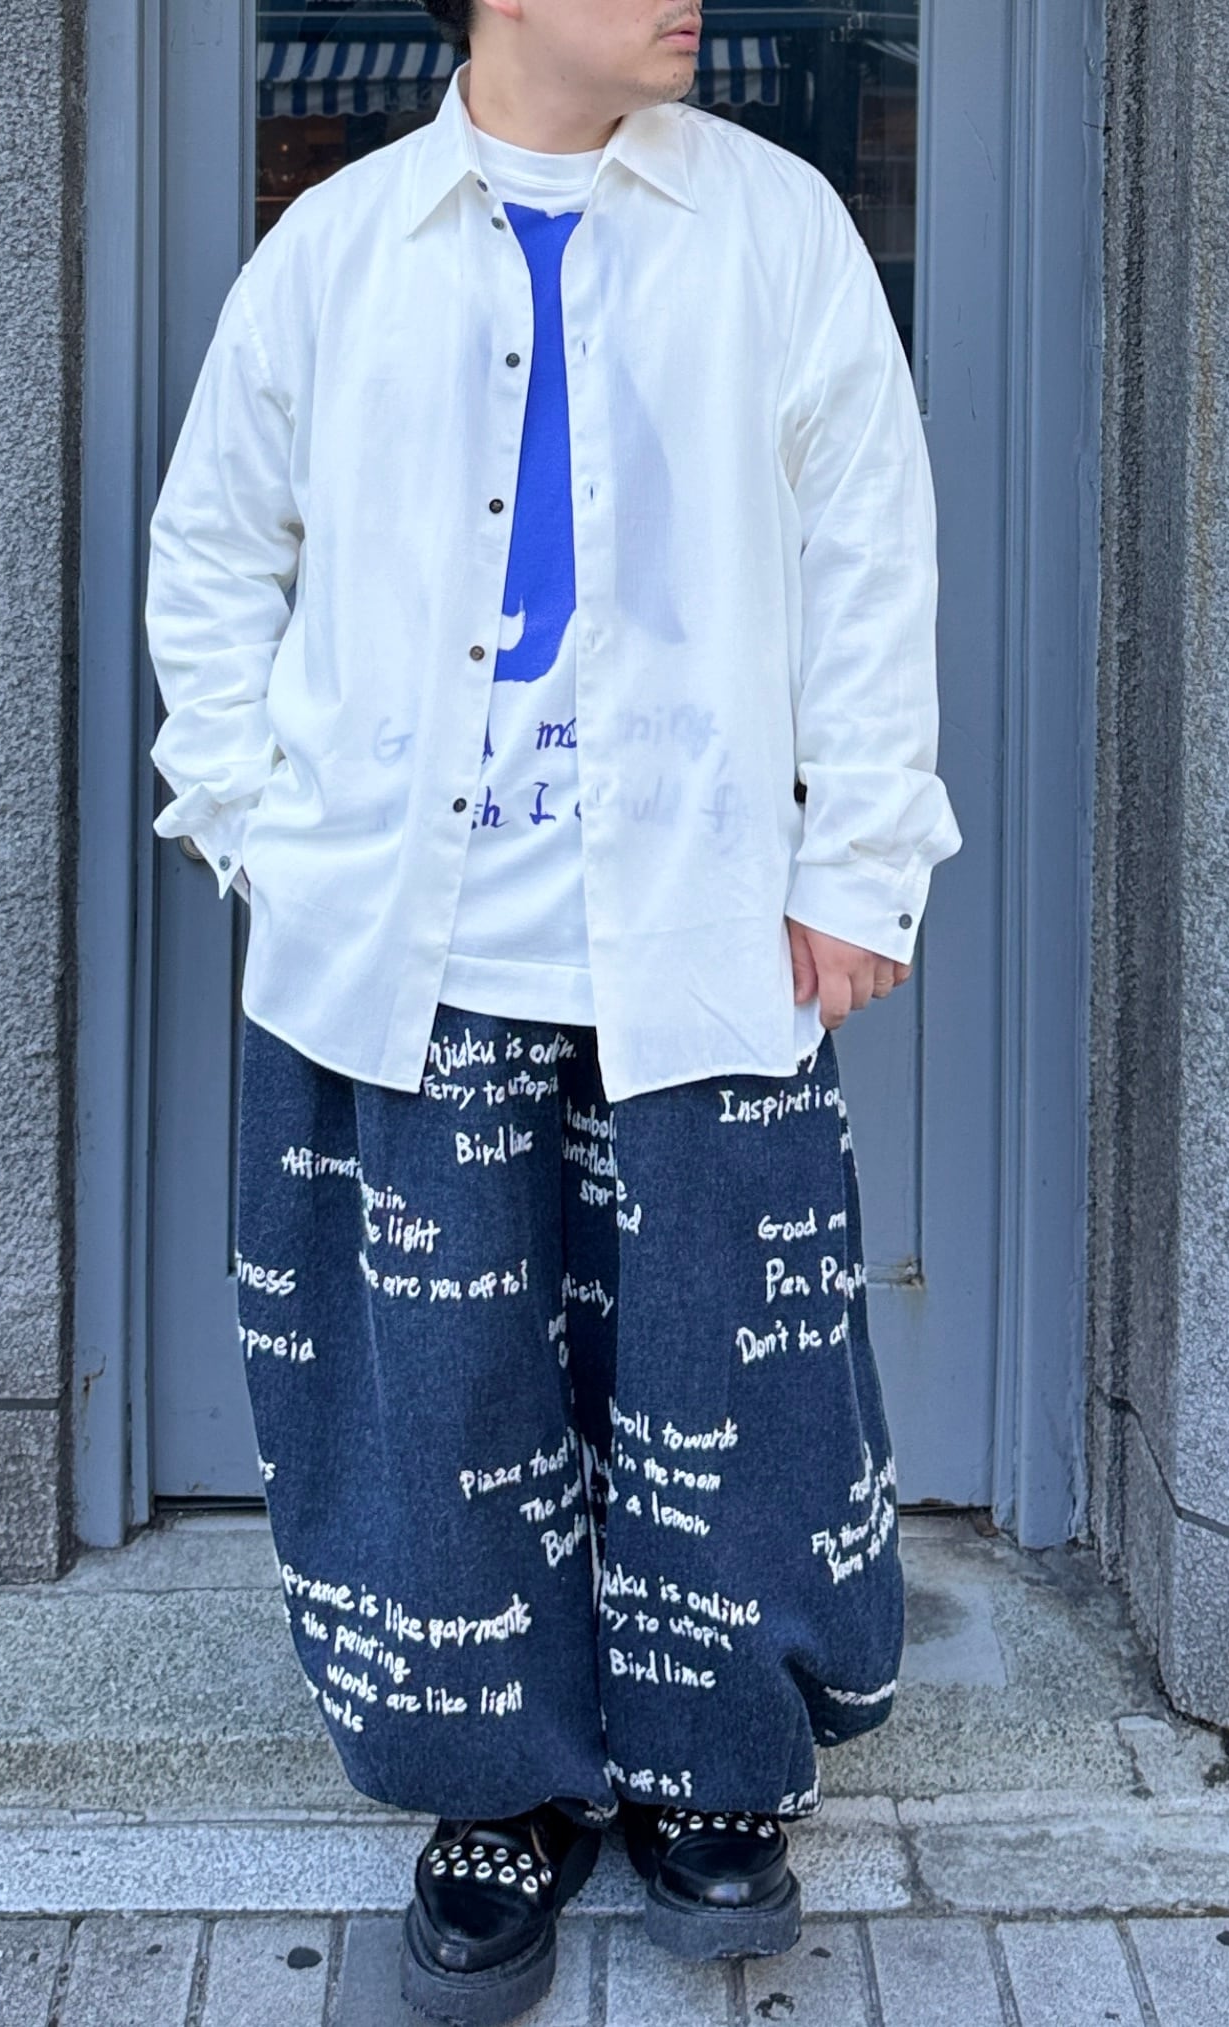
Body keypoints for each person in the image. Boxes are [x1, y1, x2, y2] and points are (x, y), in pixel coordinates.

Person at [144, 0, 961, 2012]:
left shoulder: (774, 228)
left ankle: (715, 1767)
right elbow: (212, 552)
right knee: (441, 1395)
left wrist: (860, 858)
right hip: (411, 950)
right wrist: (265, 835)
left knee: (728, 1375)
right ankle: (490, 1787)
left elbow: (871, 553)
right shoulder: (339, 250)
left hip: (703, 928)